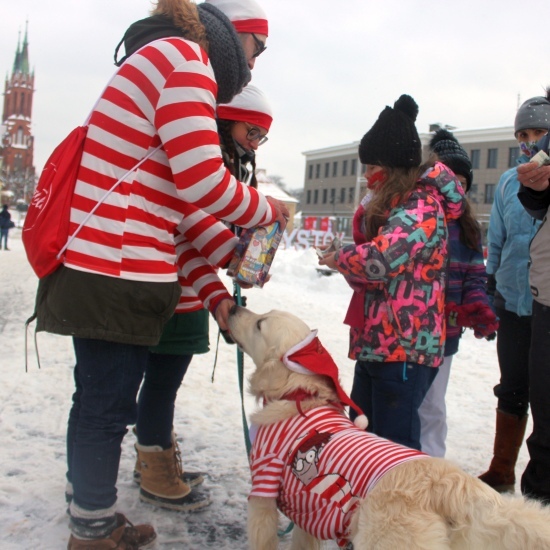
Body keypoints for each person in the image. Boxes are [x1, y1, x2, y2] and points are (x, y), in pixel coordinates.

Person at [32, 0, 289, 547]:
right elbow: (200, 184)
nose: (256, 61)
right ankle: (93, 530)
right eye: (257, 47)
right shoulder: (186, 61)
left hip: (105, 259)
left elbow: (176, 201)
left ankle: (92, 511)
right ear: (234, 35)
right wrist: (268, 211)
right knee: (108, 406)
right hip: (118, 265)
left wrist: (225, 260)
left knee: (99, 400)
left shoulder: (161, 54)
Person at [133, 84, 273, 512]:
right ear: (223, 120)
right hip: (166, 294)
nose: (255, 143)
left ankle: (154, 458)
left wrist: (219, 296)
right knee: (152, 385)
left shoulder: (222, 165)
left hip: (186, 290)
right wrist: (236, 251)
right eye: (252, 131)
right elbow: (190, 232)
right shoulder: (196, 166)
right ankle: (152, 469)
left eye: (262, 137)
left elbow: (191, 243)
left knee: (160, 385)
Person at [319, 94, 465, 450]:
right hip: (378, 342)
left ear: (393, 167)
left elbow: (382, 260)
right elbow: (373, 275)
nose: (367, 178)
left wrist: (342, 257)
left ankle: (403, 507)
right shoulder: (395, 206)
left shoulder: (421, 206)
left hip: (406, 346)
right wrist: (343, 260)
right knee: (362, 438)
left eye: (371, 168)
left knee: (394, 447)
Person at [478, 92, 550, 493]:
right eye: (522, 133)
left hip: (546, 302)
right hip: (512, 300)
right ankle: (501, 469)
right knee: (512, 386)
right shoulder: (508, 181)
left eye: (538, 132)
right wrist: (490, 284)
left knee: (545, 394)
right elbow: (498, 239)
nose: (529, 140)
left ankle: (540, 477)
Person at [419, 129, 498, 457]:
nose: (457, 187)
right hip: (413, 327)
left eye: (463, 182)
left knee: (433, 403)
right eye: (451, 178)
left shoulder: (468, 228)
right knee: (407, 399)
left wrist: (478, 307)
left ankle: (432, 462)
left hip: (446, 331)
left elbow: (474, 277)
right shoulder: (416, 218)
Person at [515, 126, 550, 504]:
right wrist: (536, 188)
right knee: (545, 410)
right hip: (547, 295)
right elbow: (536, 204)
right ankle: (539, 521)